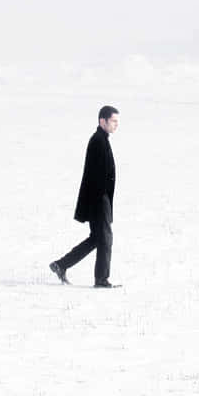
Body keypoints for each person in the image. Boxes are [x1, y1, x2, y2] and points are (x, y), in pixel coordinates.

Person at [50, 106, 119, 287]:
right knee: (105, 239)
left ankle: (61, 264)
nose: (116, 125)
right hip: (98, 200)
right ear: (101, 121)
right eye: (113, 121)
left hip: (99, 199)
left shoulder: (101, 139)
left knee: (97, 238)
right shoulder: (97, 141)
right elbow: (95, 176)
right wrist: (101, 203)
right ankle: (101, 279)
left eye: (117, 122)